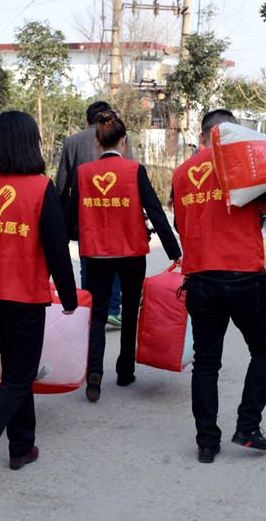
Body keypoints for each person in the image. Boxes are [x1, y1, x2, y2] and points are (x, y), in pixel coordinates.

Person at [0, 111, 78, 493]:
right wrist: (69, 297)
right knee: (19, 378)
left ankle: (22, 446)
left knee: (16, 373)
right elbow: (57, 249)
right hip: (23, 300)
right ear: (31, 143)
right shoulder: (40, 188)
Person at [172, 109, 266, 463]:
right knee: (265, 351)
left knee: (205, 363)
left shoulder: (181, 172)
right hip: (243, 276)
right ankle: (247, 427)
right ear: (230, 132)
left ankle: (206, 443)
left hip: (199, 278)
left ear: (202, 135)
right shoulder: (240, 162)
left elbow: (180, 222)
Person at [63, 111, 182, 402]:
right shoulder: (135, 170)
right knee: (130, 312)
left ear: (97, 143)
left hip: (95, 255)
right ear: (124, 141)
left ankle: (94, 372)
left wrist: (58, 247)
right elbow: (156, 212)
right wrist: (175, 252)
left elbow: (68, 217)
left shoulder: (84, 173)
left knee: (97, 315)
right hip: (131, 254)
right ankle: (125, 370)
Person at [57, 101, 128, 326]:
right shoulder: (121, 138)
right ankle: (112, 309)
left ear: (87, 120)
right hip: (117, 212)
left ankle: (90, 309)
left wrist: (61, 222)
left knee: (87, 263)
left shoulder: (72, 141)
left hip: (83, 215)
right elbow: (129, 173)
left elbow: (62, 184)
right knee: (115, 260)